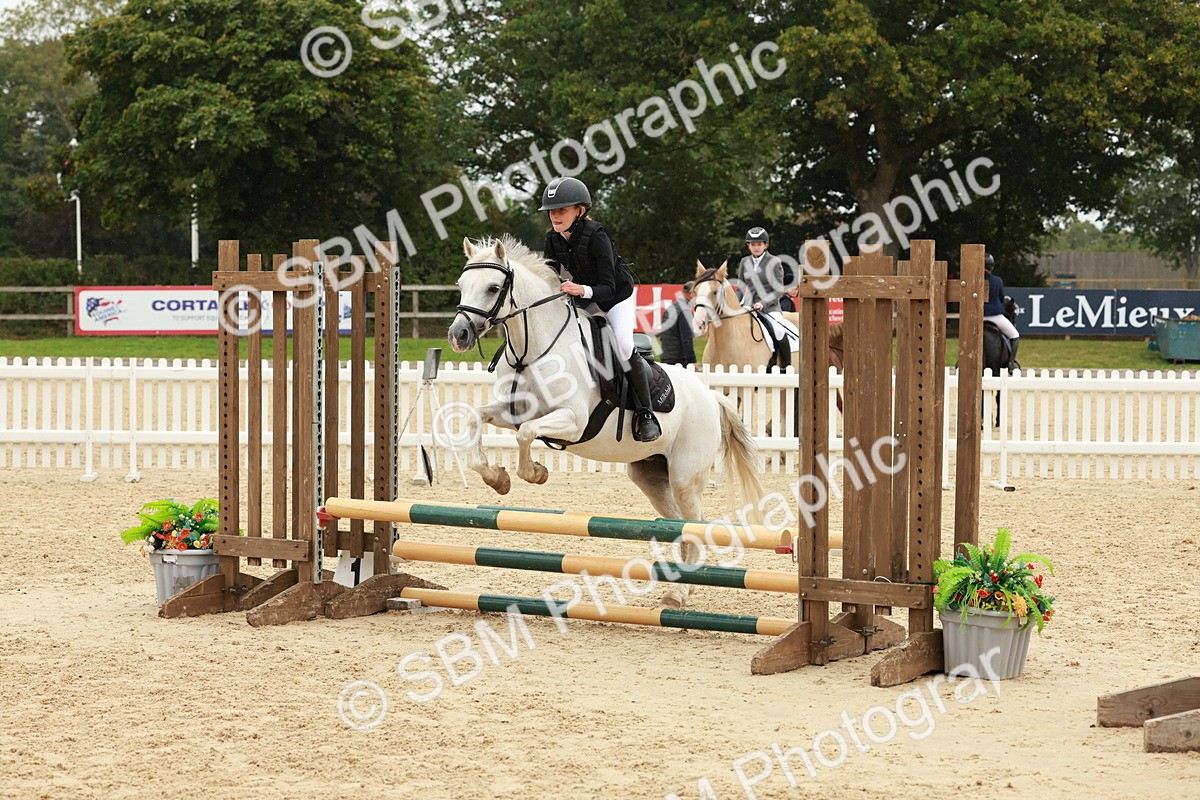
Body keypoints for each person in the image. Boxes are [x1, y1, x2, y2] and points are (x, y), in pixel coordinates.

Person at [540, 176, 661, 442]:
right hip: (583, 295)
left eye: (561, 210)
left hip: (616, 296)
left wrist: (580, 290)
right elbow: (549, 275)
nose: (555, 216)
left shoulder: (597, 235)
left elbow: (607, 285)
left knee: (623, 345)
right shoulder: (553, 239)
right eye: (552, 211)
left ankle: (647, 414)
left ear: (580, 211)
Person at [737, 226, 797, 345]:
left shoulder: (774, 262)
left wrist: (762, 303)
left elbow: (779, 290)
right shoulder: (744, 261)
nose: (756, 247)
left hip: (770, 308)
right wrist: (734, 305)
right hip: (748, 307)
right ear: (748, 246)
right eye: (753, 245)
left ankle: (786, 363)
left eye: (759, 244)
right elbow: (740, 287)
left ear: (765, 245)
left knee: (779, 330)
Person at [983, 253, 1020, 367]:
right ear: (992, 267)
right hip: (995, 317)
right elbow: (1000, 298)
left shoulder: (973, 280)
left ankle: (960, 361)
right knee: (1015, 335)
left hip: (977, 316)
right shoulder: (997, 280)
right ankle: (1010, 363)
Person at [658, 281, 696, 367]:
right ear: (691, 294)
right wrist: (692, 360)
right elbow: (686, 338)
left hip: (665, 356)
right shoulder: (685, 311)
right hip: (679, 360)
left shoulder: (670, 308)